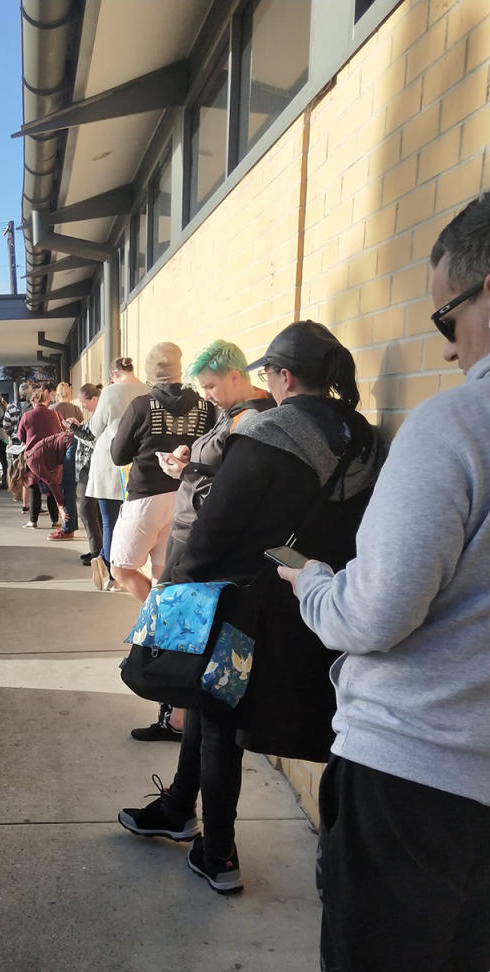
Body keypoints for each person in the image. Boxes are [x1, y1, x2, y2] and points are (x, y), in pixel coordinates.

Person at [275, 195, 490, 972]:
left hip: (413, 768)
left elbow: (378, 610)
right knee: (451, 970)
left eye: (446, 317)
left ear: (483, 291)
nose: (445, 340)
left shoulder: (458, 426)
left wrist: (315, 586)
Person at [117, 320, 381, 897]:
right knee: (206, 702)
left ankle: (219, 854)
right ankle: (179, 807)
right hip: (312, 607)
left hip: (245, 607)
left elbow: (213, 531)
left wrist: (175, 586)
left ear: (283, 376)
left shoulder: (271, 434)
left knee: (216, 721)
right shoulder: (362, 438)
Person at [130, 340, 274, 742]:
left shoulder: (252, 419)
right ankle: (176, 715)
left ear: (235, 375)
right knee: (181, 629)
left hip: (202, 535)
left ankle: (179, 717)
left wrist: (187, 466)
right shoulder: (230, 413)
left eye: (211, 386)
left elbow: (233, 482)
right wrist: (187, 459)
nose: (206, 395)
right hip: (191, 527)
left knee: (187, 632)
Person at [109, 342, 214, 602]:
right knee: (162, 573)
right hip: (186, 497)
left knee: (121, 568)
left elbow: (118, 456)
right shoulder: (206, 407)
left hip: (145, 497)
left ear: (150, 374)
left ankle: (158, 621)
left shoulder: (141, 406)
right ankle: (161, 626)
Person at [85, 356, 147, 589]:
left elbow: (94, 427)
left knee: (109, 522)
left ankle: (113, 574)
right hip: (137, 463)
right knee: (130, 520)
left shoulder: (110, 393)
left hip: (109, 462)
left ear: (113, 374)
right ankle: (113, 562)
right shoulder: (147, 390)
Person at [17, 387, 62, 528]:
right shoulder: (56, 415)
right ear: (46, 401)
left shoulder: (27, 416)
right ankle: (55, 520)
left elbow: (21, 436)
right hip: (52, 456)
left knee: (34, 487)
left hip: (33, 457)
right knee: (51, 486)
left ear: (33, 402)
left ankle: (33, 521)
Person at [73, 383, 103, 564]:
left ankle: (97, 552)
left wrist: (74, 429)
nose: (83, 407)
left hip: (89, 469)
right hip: (88, 469)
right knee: (93, 511)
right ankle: (97, 550)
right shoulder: (95, 416)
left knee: (86, 509)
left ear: (94, 399)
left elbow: (92, 439)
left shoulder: (99, 416)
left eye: (84, 403)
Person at [50, 382, 84, 541]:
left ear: (57, 393)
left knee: (62, 488)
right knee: (71, 489)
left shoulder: (52, 409)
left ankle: (66, 525)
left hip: (58, 450)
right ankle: (68, 523)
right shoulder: (76, 409)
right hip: (75, 449)